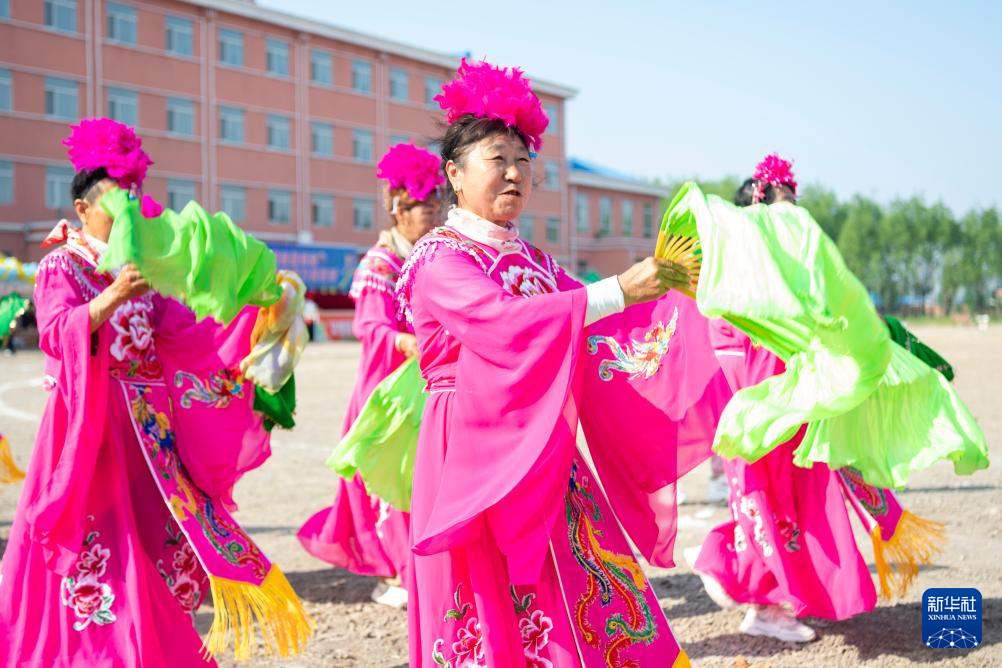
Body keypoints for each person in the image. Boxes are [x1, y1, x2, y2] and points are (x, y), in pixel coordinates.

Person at [398, 59, 728, 667]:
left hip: (541, 441)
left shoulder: (534, 259)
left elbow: (598, 324)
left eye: (523, 160)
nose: (514, 172)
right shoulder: (440, 259)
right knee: (485, 591)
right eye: (497, 158)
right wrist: (619, 290)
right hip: (469, 444)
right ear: (455, 174)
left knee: (578, 574)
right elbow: (504, 323)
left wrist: (678, 300)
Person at [0, 119, 310, 666]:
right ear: (82, 209)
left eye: (134, 196)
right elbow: (54, 332)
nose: (129, 209)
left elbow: (191, 331)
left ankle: (149, 644)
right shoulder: (62, 264)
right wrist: (114, 295)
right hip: (92, 427)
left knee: (160, 540)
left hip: (151, 431)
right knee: (103, 548)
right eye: (115, 199)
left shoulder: (141, 266)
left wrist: (256, 307)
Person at [688, 154, 947, 642]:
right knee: (777, 504)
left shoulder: (773, 259)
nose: (794, 209)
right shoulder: (749, 263)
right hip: (767, 400)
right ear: (761, 200)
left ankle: (729, 571)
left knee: (785, 503)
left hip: (774, 400)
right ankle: (760, 604)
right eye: (785, 199)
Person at [298, 143, 443, 608]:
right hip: (389, 392)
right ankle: (396, 573)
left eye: (435, 201)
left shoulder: (433, 256)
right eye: (421, 204)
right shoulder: (380, 264)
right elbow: (370, 326)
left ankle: (423, 566)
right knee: (391, 482)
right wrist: (404, 342)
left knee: (426, 477)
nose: (431, 210)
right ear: (398, 209)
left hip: (427, 386)